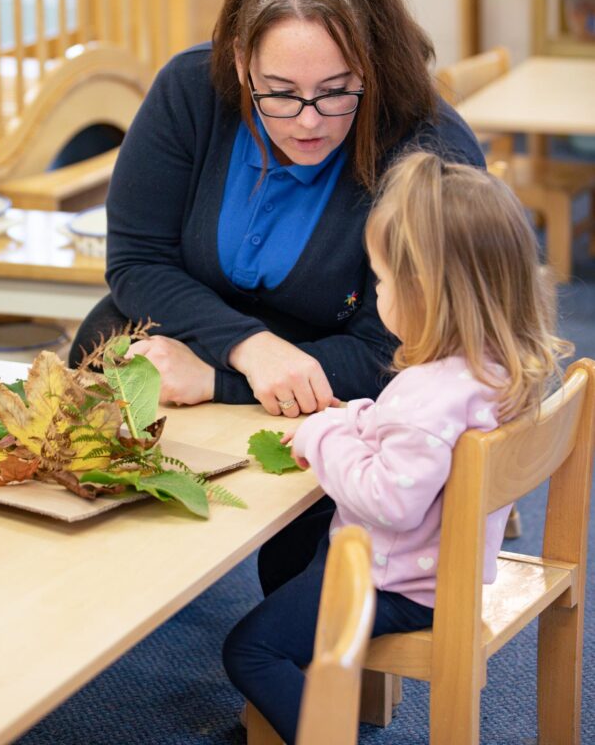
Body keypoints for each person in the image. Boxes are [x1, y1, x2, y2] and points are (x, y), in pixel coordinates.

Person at [69, 0, 485, 413]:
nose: (309, 122)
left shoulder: (431, 150)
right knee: (105, 340)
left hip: (343, 394)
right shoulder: (189, 90)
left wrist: (219, 380)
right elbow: (138, 261)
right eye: (282, 93)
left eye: (334, 91)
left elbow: (400, 351)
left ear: (369, 64)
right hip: (201, 338)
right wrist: (248, 347)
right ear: (243, 64)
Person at [222, 151, 571, 745]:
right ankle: (319, 693)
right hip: (437, 567)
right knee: (292, 564)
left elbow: (390, 500)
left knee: (250, 650)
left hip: (402, 584)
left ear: (426, 293)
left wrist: (320, 433)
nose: (376, 295)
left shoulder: (426, 397)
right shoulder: (489, 368)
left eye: (381, 281)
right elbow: (414, 444)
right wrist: (358, 416)